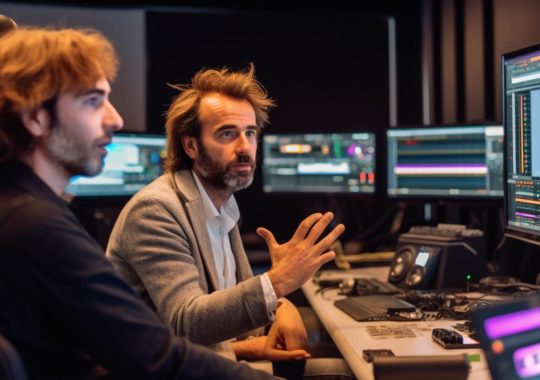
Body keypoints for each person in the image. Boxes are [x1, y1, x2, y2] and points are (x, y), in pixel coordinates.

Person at [0, 26, 275, 380]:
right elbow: (155, 358)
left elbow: (120, 346)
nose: (115, 119)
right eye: (92, 100)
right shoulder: (35, 225)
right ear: (36, 117)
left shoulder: (26, 209)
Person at [106, 65, 353, 378]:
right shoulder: (155, 210)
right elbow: (185, 323)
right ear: (191, 145)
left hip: (204, 363)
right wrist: (278, 282)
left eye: (250, 133)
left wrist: (277, 303)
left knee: (344, 370)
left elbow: (226, 309)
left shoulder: (223, 202)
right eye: (227, 134)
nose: (244, 148)